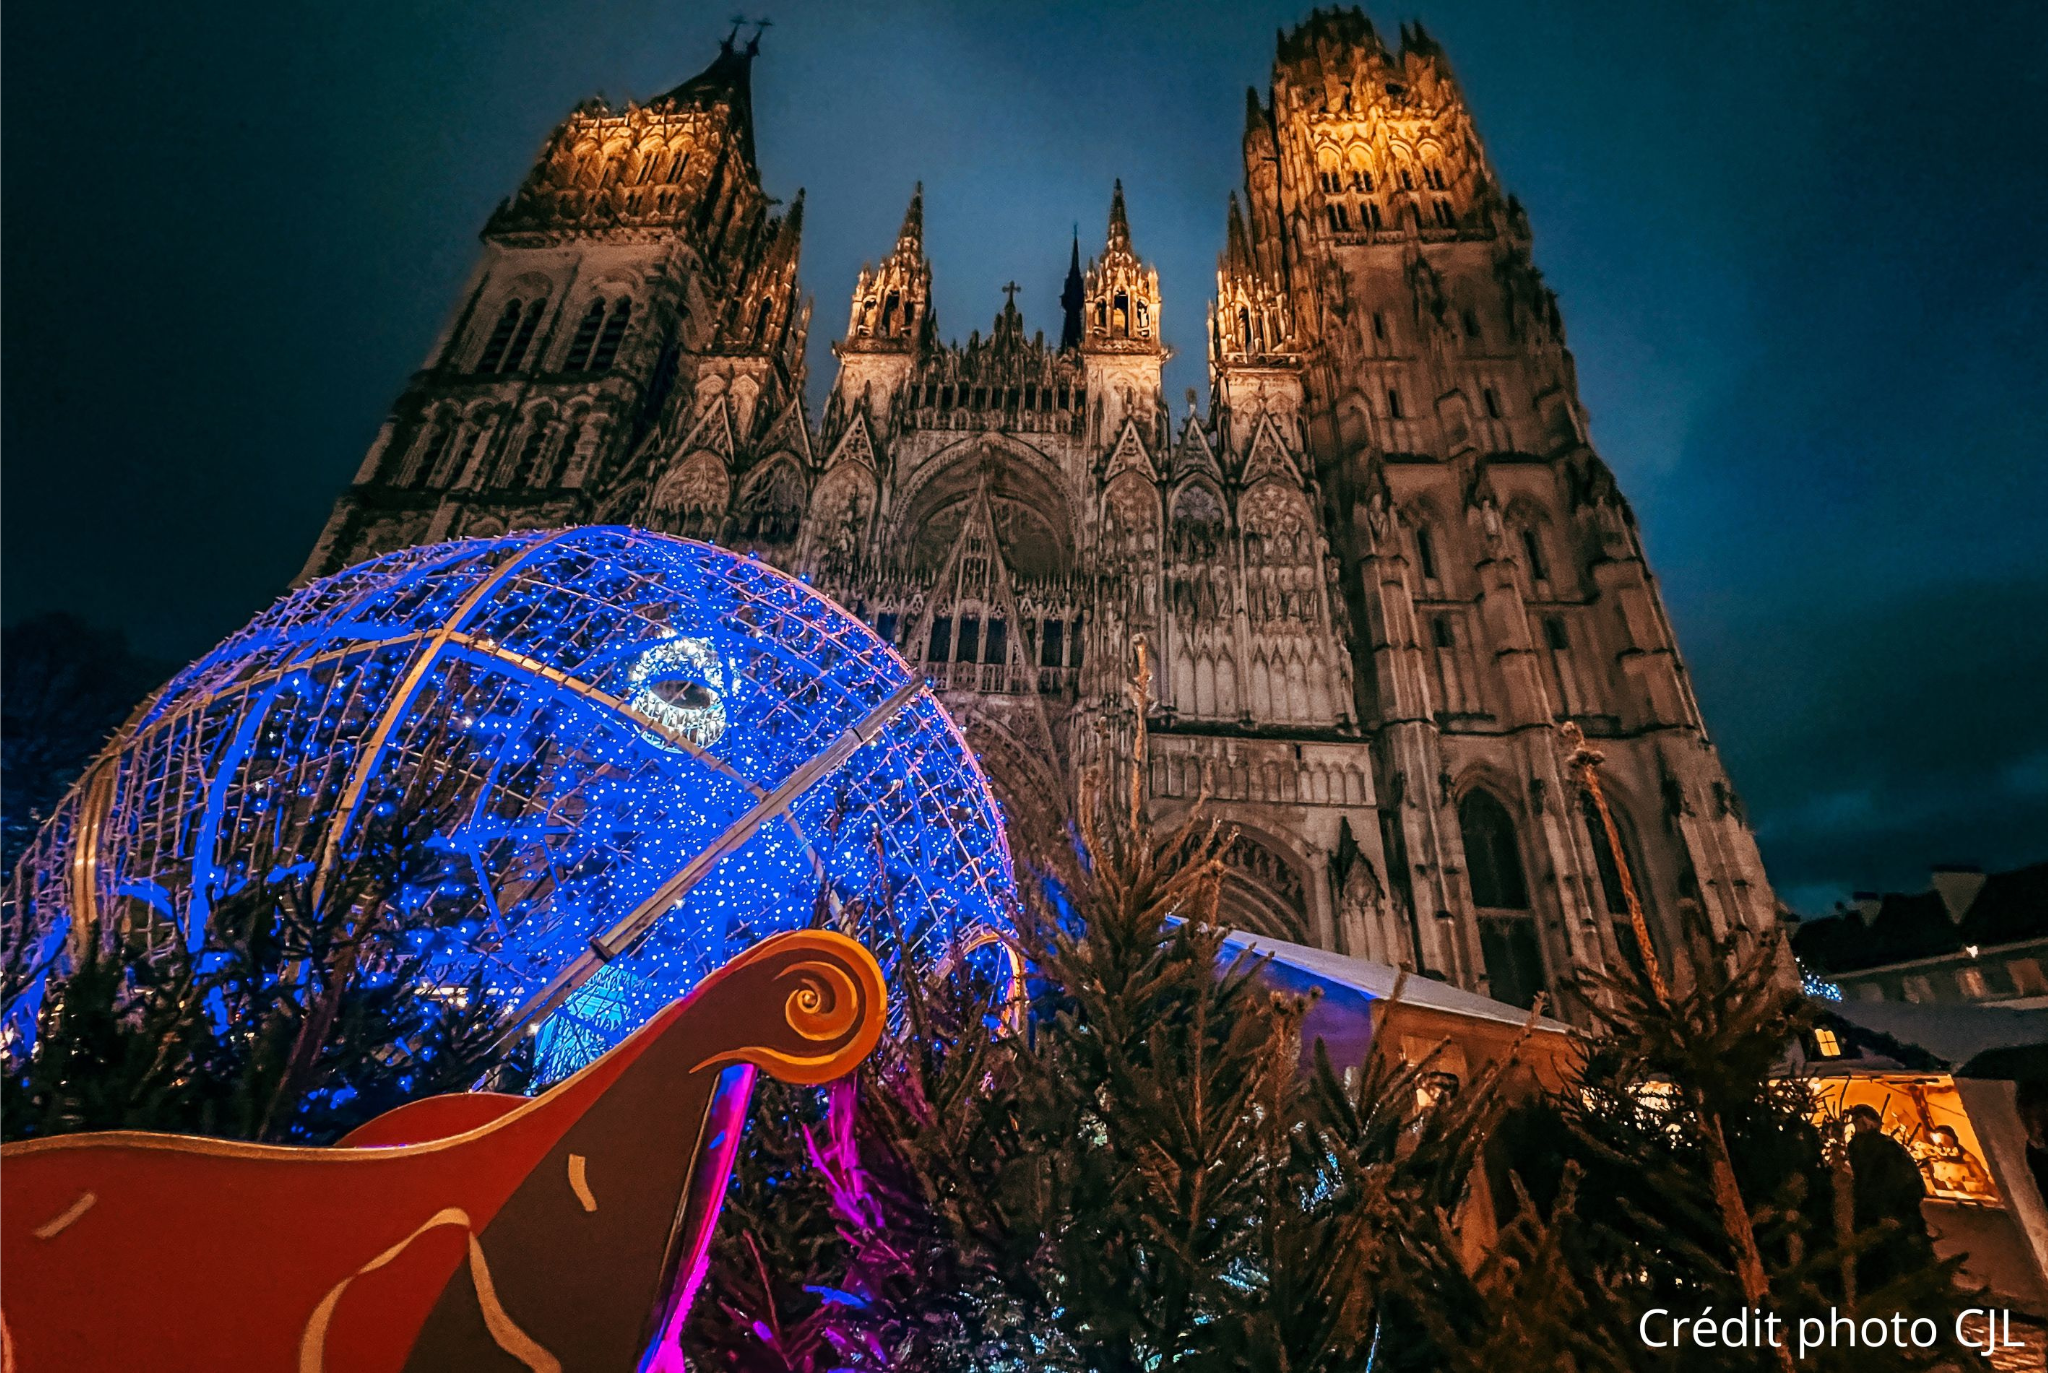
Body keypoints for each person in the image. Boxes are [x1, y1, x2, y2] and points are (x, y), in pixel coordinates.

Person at [1845, 1104, 1935, 1294]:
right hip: (1878, 1217)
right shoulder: (1862, 1147)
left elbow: (1905, 1183)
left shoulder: (1884, 1149)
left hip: (1890, 1217)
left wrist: (1890, 1210)